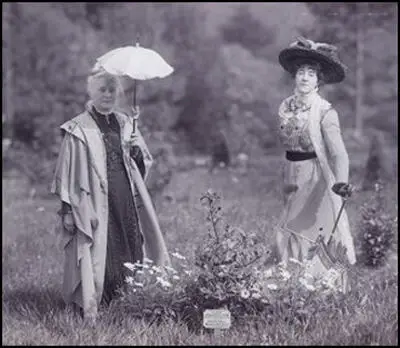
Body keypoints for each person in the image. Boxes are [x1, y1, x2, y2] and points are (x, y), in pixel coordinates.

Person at [51, 64, 171, 321]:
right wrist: (67, 211)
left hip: (125, 195)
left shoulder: (126, 122)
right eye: (102, 90)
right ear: (92, 92)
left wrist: (137, 148)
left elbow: (140, 164)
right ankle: (99, 300)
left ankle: (128, 296)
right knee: (100, 246)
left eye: (112, 90)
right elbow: (67, 173)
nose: (108, 94)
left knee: (130, 241)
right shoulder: (78, 128)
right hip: (93, 198)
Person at [274, 37, 356, 287]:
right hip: (290, 173)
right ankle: (289, 284)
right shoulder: (285, 106)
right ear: (294, 76)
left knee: (306, 231)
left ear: (319, 80)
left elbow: (339, 153)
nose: (305, 77)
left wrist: (341, 182)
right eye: (301, 71)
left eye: (311, 73)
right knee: (286, 227)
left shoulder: (324, 111)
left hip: (314, 177)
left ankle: (315, 287)